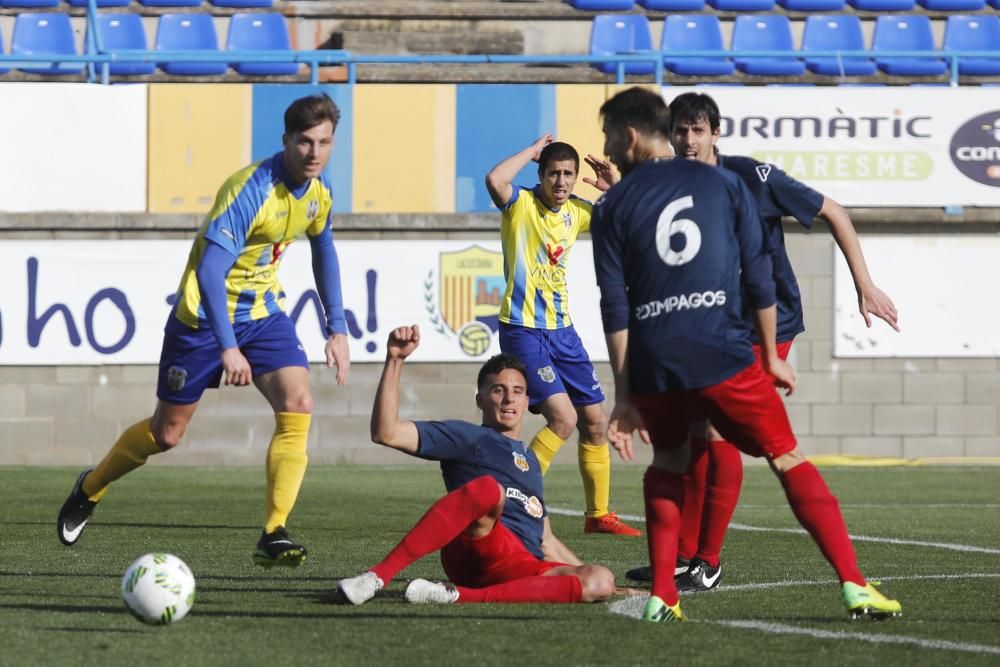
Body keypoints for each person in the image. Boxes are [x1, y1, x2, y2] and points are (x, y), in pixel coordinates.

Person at [591, 86, 901, 623]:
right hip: (724, 345)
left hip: (656, 355)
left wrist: (624, 394)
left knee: (667, 462)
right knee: (786, 456)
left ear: (630, 136)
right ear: (668, 131)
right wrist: (772, 356)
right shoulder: (723, 184)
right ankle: (853, 583)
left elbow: (614, 304)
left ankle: (665, 595)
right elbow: (758, 273)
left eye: (609, 136)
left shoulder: (611, 205)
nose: (607, 145)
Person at [56, 94, 351, 568]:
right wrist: (228, 347)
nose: (315, 153)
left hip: (263, 313)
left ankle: (273, 531)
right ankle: (90, 488)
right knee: (166, 435)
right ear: (286, 141)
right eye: (305, 142)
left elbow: (325, 251)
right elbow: (212, 274)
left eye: (324, 142)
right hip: (203, 321)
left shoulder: (320, 192)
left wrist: (336, 328)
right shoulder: (249, 190)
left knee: (299, 402)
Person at [336, 324, 617, 606]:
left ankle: (454, 596)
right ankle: (375, 577)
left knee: (601, 579)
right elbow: (386, 432)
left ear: (528, 401)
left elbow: (546, 541)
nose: (509, 398)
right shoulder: (468, 436)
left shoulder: (530, 461)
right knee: (490, 490)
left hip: (519, 564)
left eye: (518, 391)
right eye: (499, 390)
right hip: (477, 547)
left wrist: (591, 578)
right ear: (480, 400)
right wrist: (395, 360)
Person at [482, 135, 639, 537]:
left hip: (563, 332)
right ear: (541, 174)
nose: (562, 181)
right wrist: (530, 150)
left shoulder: (578, 212)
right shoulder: (520, 205)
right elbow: (494, 179)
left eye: (569, 174)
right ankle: (510, 498)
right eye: (553, 173)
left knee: (594, 419)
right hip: (523, 330)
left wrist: (614, 188)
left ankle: (597, 514)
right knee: (563, 418)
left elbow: (632, 217)